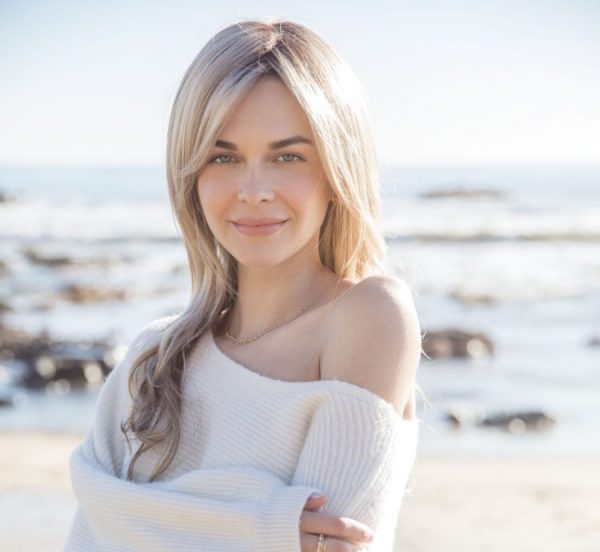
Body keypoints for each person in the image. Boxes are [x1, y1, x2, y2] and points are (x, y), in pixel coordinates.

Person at [64, 18, 423, 552]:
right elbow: (89, 533)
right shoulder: (152, 361)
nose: (254, 191)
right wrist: (255, 526)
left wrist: (142, 519)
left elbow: (337, 544)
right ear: (191, 176)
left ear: (336, 169)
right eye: (223, 156)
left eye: (288, 156)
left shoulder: (368, 315)